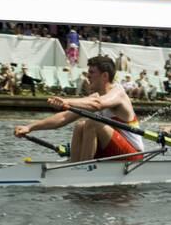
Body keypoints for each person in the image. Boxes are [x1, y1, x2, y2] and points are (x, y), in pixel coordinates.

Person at [14, 56, 144, 162]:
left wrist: (67, 101)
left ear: (105, 76)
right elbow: (63, 117)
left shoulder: (118, 93)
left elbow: (97, 104)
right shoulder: (94, 97)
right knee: (80, 125)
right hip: (113, 151)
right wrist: (30, 127)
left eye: (92, 73)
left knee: (92, 123)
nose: (88, 76)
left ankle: (82, 168)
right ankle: (75, 164)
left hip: (133, 156)